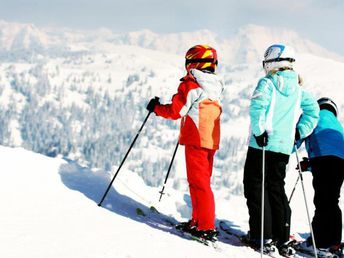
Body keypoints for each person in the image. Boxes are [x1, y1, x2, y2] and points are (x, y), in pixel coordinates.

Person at [243, 44, 319, 256]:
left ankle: (261, 236)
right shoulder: (298, 89)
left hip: (262, 144)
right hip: (283, 146)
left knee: (255, 187)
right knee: (276, 188)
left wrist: (259, 132)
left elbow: (257, 107)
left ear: (273, 63)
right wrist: (298, 132)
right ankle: (281, 236)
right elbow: (313, 111)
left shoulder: (267, 83)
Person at [146, 45, 224, 242]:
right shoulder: (215, 84)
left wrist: (156, 108)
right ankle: (198, 221)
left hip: (196, 138)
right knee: (201, 182)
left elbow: (176, 111)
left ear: (192, 62)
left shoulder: (192, 84)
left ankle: (205, 226)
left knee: (199, 184)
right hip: (211, 139)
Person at [296, 97, 344, 257]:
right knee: (331, 200)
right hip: (340, 162)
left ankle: (319, 243)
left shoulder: (314, 114)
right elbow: (332, 152)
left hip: (322, 159)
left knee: (323, 201)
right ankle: (334, 242)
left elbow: (300, 134)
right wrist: (310, 165)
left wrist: (288, 149)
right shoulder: (337, 124)